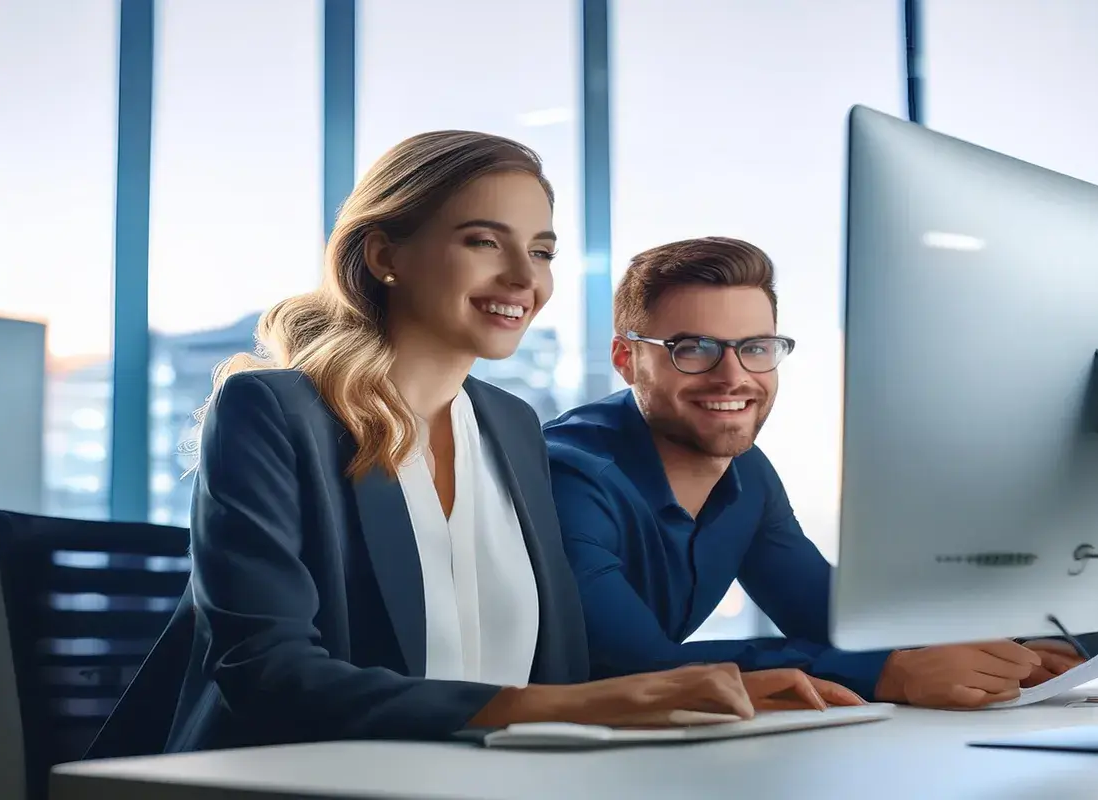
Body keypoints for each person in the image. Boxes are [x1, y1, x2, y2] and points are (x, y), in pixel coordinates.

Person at [86, 137, 865, 759]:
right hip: (299, 781)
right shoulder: (271, 412)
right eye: (484, 241)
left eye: (544, 250)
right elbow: (269, 674)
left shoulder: (512, 426)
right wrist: (572, 707)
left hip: (486, 779)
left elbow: (556, 664)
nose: (523, 277)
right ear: (386, 254)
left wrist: (718, 692)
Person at [543, 236, 1084, 709]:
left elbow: (826, 617)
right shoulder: (570, 474)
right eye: (694, 349)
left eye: (755, 348)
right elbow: (632, 666)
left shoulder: (746, 472)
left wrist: (989, 652)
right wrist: (890, 673)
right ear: (625, 358)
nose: (733, 376)